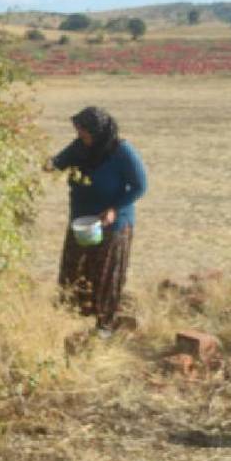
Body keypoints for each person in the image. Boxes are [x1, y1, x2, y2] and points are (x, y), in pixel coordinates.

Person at [45, 106, 147, 338]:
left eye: (84, 132)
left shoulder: (122, 151)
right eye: (79, 131)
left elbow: (140, 186)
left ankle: (104, 326)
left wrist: (114, 208)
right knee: (74, 268)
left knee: (105, 274)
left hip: (112, 223)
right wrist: (49, 164)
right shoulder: (80, 147)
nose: (80, 135)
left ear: (98, 132)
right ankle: (74, 318)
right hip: (82, 221)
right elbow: (58, 162)